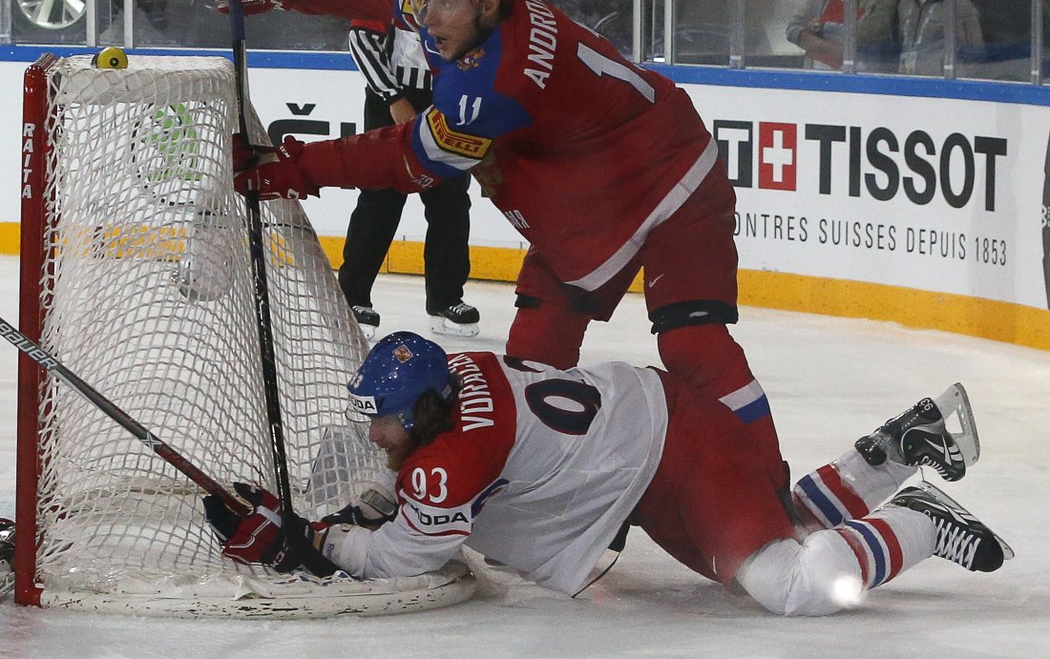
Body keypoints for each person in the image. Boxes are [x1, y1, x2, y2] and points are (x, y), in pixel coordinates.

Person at [209, 0, 787, 492]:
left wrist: (292, 167)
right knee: (536, 353)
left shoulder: (499, 84)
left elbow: (410, 159)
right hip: (590, 200)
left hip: (673, 179)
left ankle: (771, 493)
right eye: (427, 0)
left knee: (693, 343)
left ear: (488, 2)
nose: (427, 18)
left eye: (444, 6)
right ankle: (549, 490)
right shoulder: (472, 0)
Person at [203, 332, 1011, 616]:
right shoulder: (461, 374)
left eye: (382, 417)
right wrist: (349, 517)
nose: (373, 432)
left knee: (789, 584)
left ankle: (919, 518)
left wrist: (317, 538)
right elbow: (438, 500)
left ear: (422, 413)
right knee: (777, 530)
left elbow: (399, 558)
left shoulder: (449, 459)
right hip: (655, 451)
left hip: (679, 457)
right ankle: (897, 445)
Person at [343, 0, 479, 339]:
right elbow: (360, 41)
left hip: (447, 96)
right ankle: (353, 295)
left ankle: (446, 299)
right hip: (393, 97)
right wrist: (393, 97)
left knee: (450, 198)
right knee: (381, 195)